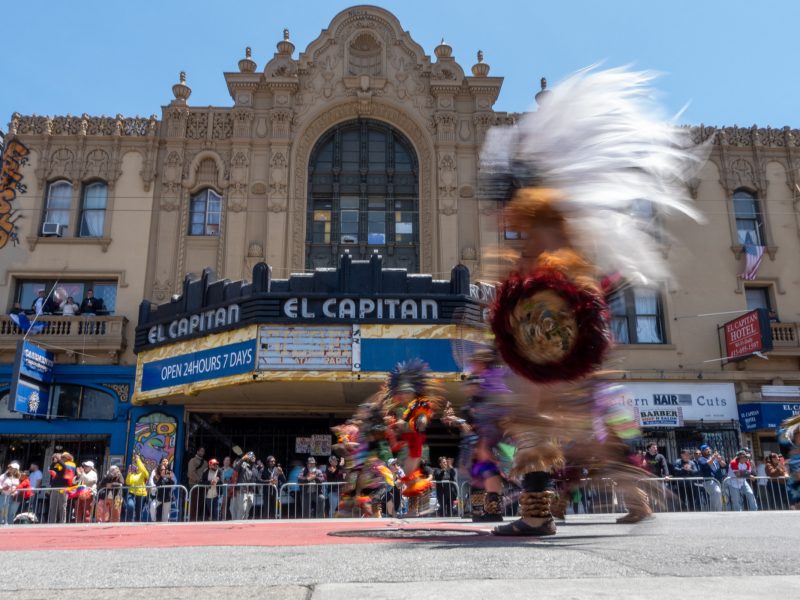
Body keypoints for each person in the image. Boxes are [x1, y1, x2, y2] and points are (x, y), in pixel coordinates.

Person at [696, 445, 726, 511]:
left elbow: (723, 465)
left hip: (718, 480)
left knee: (720, 495)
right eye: (706, 449)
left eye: (709, 449)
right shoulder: (701, 459)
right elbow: (707, 464)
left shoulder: (715, 459)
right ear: (703, 451)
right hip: (709, 480)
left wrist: (720, 460)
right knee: (716, 492)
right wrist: (713, 458)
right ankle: (713, 511)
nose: (709, 450)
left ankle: (720, 510)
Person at [48, 452, 76, 523]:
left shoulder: (71, 464)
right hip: (55, 487)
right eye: (62, 457)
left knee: (62, 506)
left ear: (68, 458)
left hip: (64, 488)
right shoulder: (60, 464)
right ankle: (51, 522)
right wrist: (54, 462)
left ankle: (62, 522)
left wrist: (59, 460)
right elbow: (52, 469)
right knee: (53, 506)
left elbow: (64, 468)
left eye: (63, 457)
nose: (62, 459)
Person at [232, 452, 260, 520]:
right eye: (251, 456)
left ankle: (244, 526)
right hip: (242, 491)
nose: (253, 457)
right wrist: (242, 459)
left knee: (247, 512)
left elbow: (258, 479)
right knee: (242, 510)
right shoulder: (243, 464)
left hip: (251, 492)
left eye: (254, 456)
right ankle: (238, 525)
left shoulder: (255, 468)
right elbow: (235, 468)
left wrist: (269, 481)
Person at [124, 453, 149, 522]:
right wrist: (129, 473)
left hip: (141, 495)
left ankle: (137, 525)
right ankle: (129, 521)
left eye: (139, 465)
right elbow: (128, 482)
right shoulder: (133, 474)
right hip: (132, 493)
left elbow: (143, 469)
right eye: (137, 465)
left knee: (138, 512)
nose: (138, 467)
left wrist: (138, 459)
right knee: (130, 506)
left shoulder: (144, 473)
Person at [187, 447, 207, 521]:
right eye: (201, 451)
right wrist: (199, 480)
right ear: (197, 451)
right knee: (194, 504)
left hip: (202, 486)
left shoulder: (205, 462)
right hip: (194, 485)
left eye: (203, 451)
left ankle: (199, 519)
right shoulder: (192, 461)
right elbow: (191, 473)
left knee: (201, 503)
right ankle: (192, 519)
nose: (202, 452)